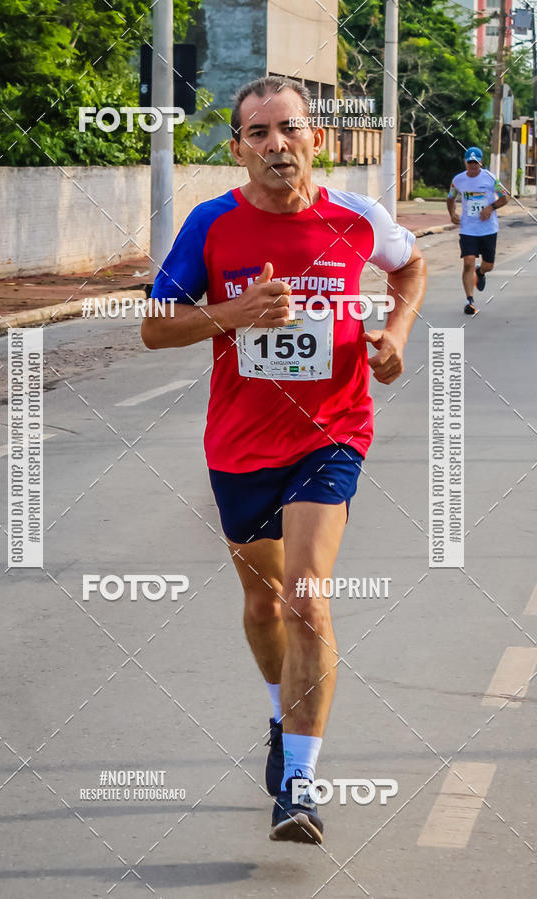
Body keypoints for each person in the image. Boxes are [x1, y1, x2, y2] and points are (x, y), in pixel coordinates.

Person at [142, 76, 426, 844]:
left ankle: (298, 781)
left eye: (289, 129)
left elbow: (409, 268)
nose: (276, 145)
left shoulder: (356, 217)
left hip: (331, 432)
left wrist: (395, 334)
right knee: (266, 605)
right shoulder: (211, 226)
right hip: (240, 444)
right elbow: (154, 327)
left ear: (316, 139)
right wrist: (232, 314)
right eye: (258, 133)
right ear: (237, 149)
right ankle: (281, 714)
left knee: (306, 596)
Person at [447, 146, 509, 315]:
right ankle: (470, 300)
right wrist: (452, 213)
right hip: (468, 229)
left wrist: (491, 207)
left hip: (488, 229)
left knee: (489, 265)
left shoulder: (490, 178)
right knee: (468, 261)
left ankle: (480, 272)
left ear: (480, 163)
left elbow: (505, 197)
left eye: (476, 163)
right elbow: (450, 197)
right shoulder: (458, 180)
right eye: (470, 162)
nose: (473, 166)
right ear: (465, 162)